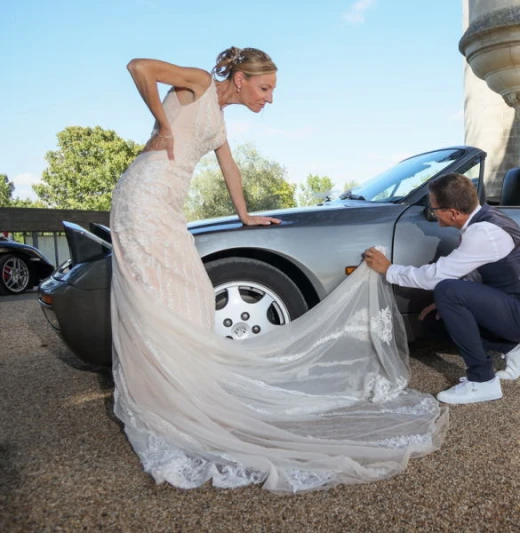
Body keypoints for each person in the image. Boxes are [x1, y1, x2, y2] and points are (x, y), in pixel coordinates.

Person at [109, 47, 447, 493]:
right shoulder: (200, 83)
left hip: (168, 204)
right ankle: (163, 401)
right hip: (144, 196)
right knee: (157, 296)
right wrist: (164, 126)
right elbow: (140, 68)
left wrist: (245, 215)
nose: (269, 99)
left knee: (192, 296)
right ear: (241, 79)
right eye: (265, 88)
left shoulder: (219, 120)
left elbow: (229, 167)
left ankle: (181, 393)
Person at [364, 173, 520, 405]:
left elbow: (436, 277)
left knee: (446, 290)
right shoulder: (485, 220)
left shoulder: (483, 232)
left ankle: (483, 381)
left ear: (453, 212)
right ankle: (514, 347)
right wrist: (449, 303)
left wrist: (389, 270)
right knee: (434, 319)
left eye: (434, 209)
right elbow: (474, 273)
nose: (433, 214)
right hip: (519, 308)